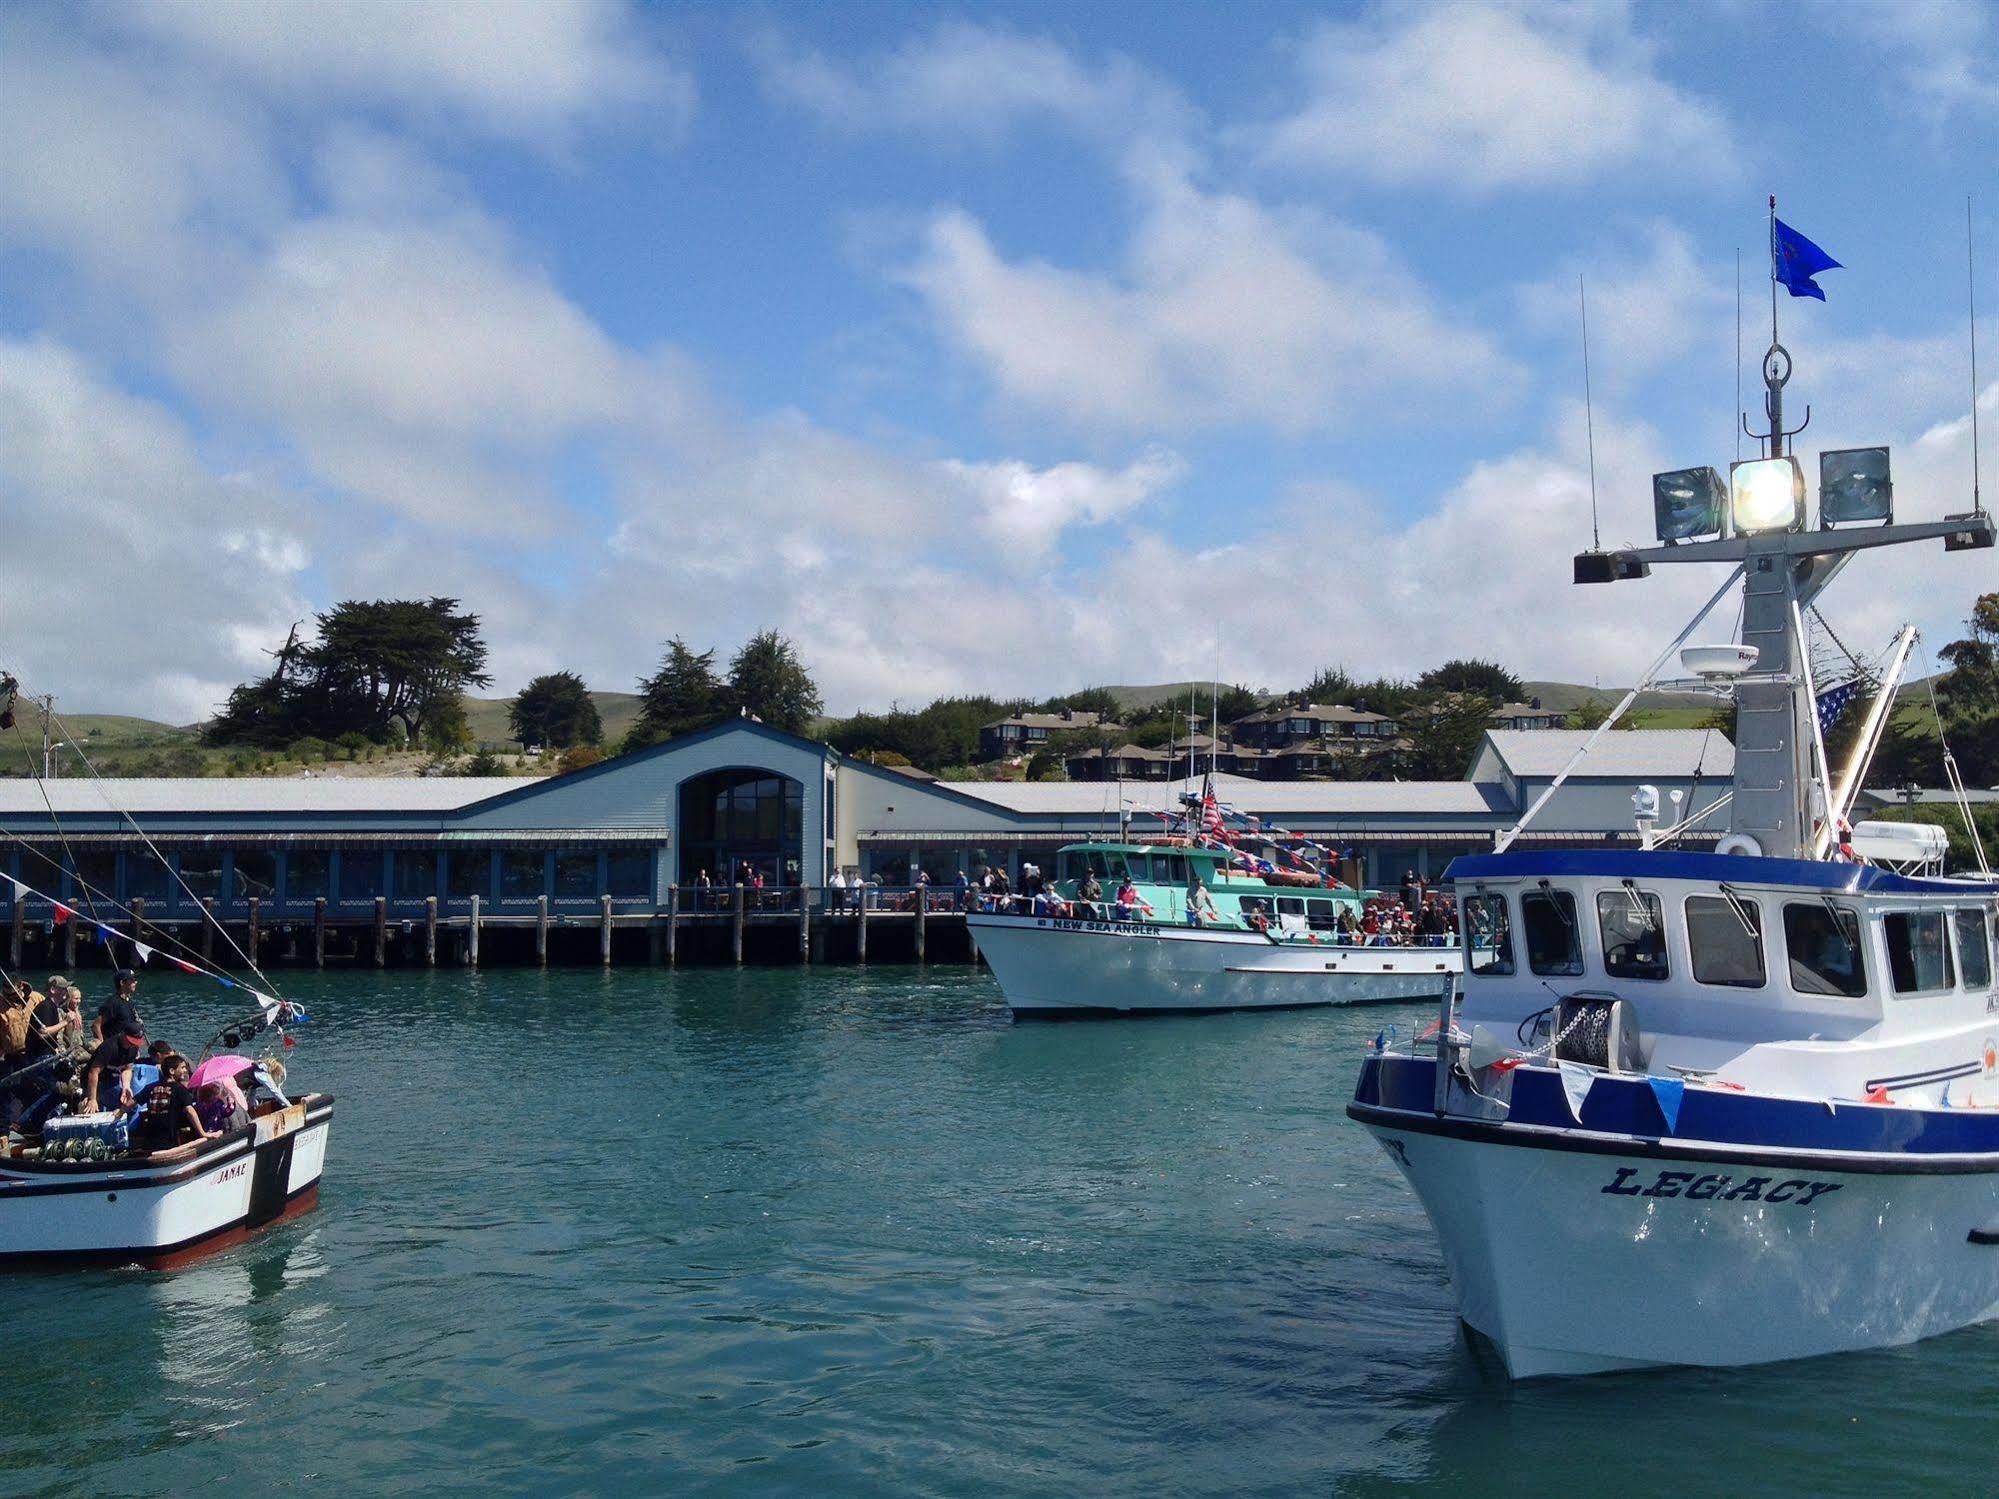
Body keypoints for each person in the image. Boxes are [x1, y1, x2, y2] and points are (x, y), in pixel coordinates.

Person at [82, 968, 145, 1115]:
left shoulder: (129, 1003)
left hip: (126, 1051)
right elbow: (96, 1025)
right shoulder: (113, 1003)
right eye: (132, 980)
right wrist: (104, 1045)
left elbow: (128, 1068)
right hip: (111, 1050)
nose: (136, 982)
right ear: (123, 983)